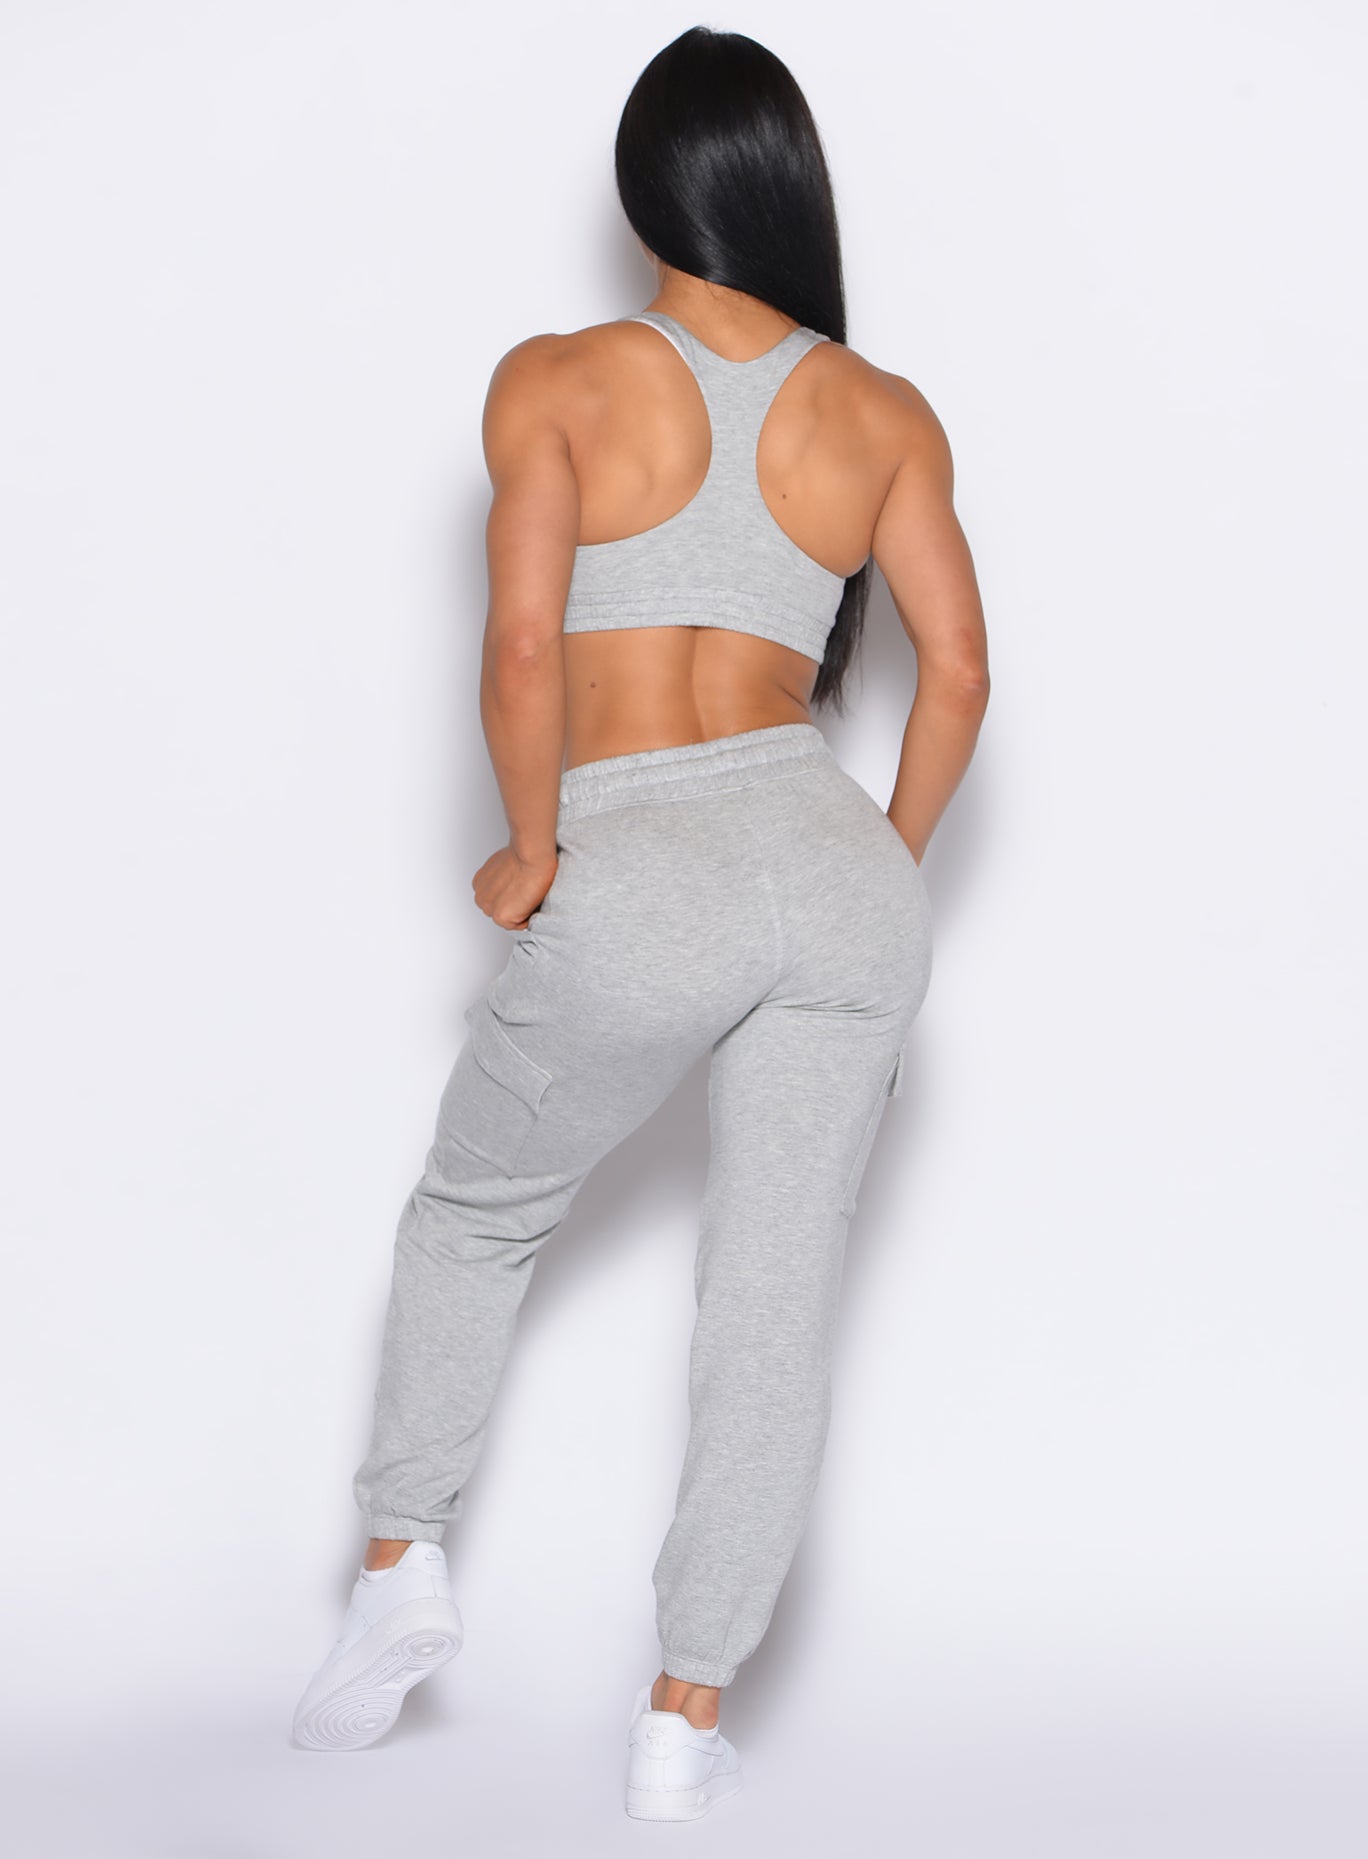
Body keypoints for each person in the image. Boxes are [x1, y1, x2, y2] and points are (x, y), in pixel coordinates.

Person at [291, 23, 989, 1821]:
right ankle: (682, 1725)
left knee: (479, 1211)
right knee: (775, 1306)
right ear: (788, 187)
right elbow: (959, 680)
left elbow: (526, 643)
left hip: (643, 852)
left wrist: (533, 849)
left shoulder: (559, 379)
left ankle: (400, 1569)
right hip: (833, 869)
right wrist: (885, 867)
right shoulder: (884, 413)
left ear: (643, 188)